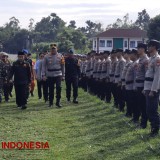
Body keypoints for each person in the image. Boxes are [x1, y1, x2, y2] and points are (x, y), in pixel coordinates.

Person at [144, 40, 160, 137]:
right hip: (148, 87)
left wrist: (153, 90)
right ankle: (153, 127)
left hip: (153, 89)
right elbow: (148, 75)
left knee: (152, 110)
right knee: (148, 109)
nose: (148, 48)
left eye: (149, 46)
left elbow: (157, 76)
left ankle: (155, 129)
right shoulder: (150, 59)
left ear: (154, 47)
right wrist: (145, 88)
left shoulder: (157, 59)